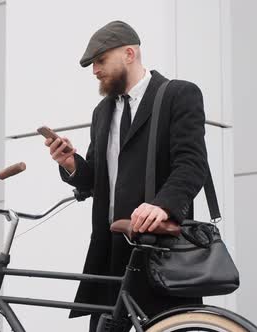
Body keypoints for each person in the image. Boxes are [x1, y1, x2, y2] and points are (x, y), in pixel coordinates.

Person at [43, 21, 208, 331]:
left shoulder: (177, 95)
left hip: (160, 249)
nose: (94, 71)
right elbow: (95, 181)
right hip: (110, 251)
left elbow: (192, 163)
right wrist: (70, 163)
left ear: (129, 53)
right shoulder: (102, 112)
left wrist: (162, 205)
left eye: (100, 61)